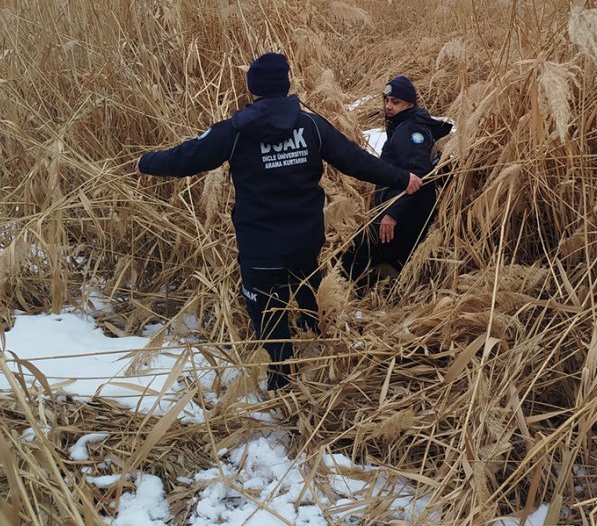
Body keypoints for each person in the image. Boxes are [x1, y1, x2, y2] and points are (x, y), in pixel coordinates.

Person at [136, 53, 422, 391]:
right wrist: (403, 177)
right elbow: (356, 160)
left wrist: (145, 162)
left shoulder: (235, 131)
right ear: (286, 85)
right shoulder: (312, 126)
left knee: (267, 308)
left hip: (261, 247)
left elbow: (184, 158)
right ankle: (315, 347)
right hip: (305, 238)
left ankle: (282, 376)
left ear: (252, 89)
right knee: (305, 287)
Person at [341, 75, 452, 290]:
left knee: (352, 257)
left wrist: (392, 214)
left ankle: (346, 300)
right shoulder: (403, 125)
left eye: (395, 102)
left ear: (410, 104)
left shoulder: (410, 131)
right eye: (387, 100)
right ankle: (391, 289)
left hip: (401, 217)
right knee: (394, 261)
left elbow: (419, 175)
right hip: (400, 214)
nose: (388, 106)